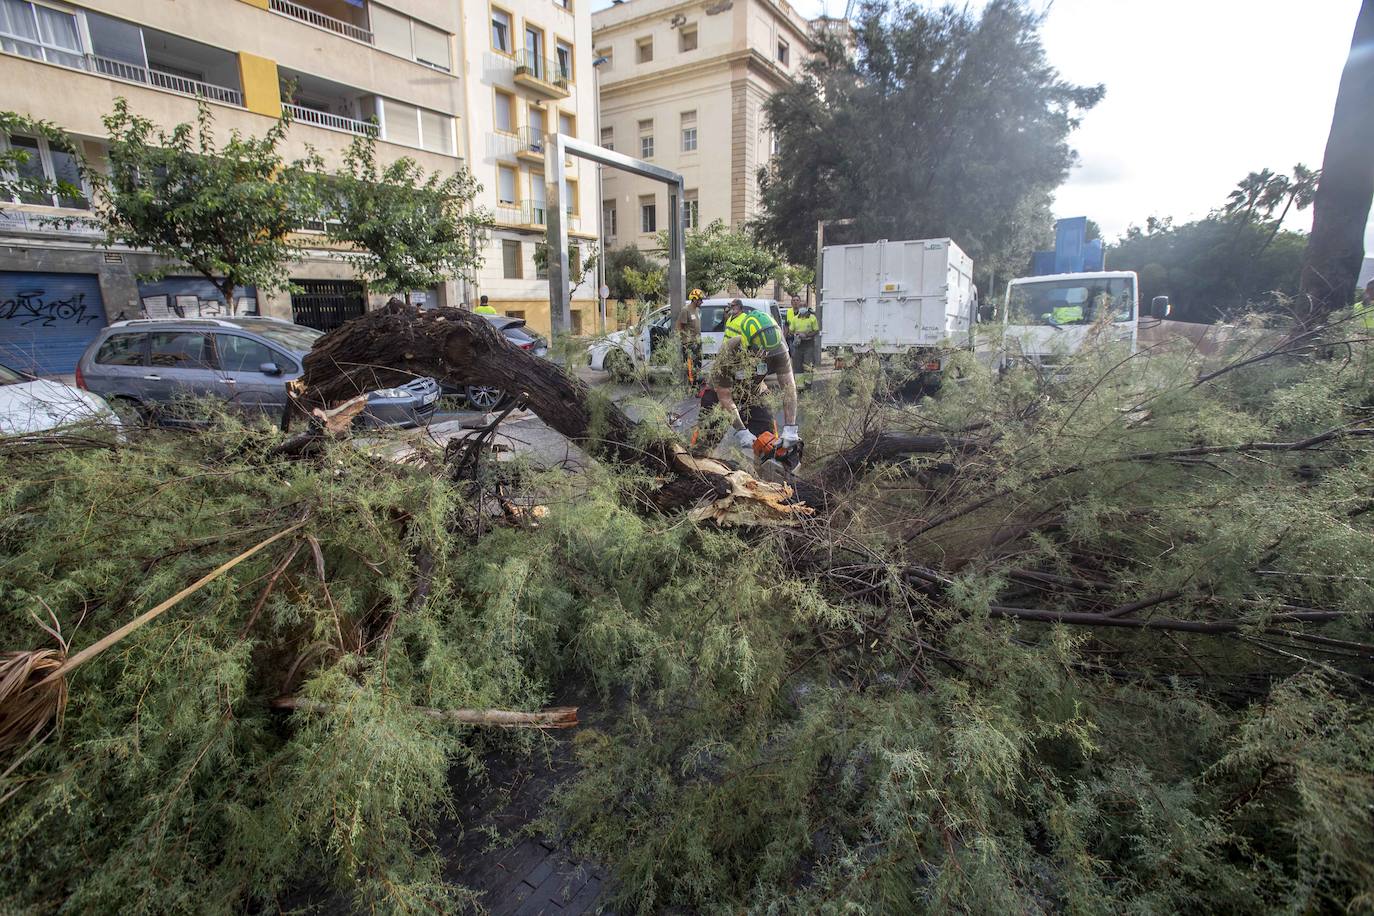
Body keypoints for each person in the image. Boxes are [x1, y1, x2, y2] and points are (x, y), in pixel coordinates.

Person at [709, 298, 799, 451]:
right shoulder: (729, 352)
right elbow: (724, 396)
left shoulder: (778, 347)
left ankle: (764, 469)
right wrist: (741, 431)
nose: (765, 354)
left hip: (754, 391)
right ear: (747, 342)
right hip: (719, 395)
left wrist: (790, 427)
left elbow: (789, 388)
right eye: (761, 350)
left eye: (768, 350)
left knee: (767, 441)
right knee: (707, 439)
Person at [786, 295, 820, 373]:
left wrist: (806, 335)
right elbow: (790, 330)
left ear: (807, 307)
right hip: (798, 345)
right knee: (797, 366)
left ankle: (808, 384)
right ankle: (800, 384)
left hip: (809, 345)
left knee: (808, 365)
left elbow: (816, 331)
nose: (802, 307)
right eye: (800, 306)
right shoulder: (795, 319)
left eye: (804, 306)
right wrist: (796, 334)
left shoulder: (812, 318)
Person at [678, 289, 705, 385]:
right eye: (700, 300)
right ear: (694, 299)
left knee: (698, 364)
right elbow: (679, 327)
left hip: (697, 342)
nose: (702, 302)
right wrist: (687, 338)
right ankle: (692, 386)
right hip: (689, 344)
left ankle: (696, 384)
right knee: (690, 367)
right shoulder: (685, 310)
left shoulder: (697, 310)